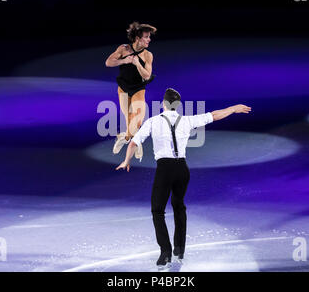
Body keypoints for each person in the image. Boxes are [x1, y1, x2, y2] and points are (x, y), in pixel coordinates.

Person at [116, 88, 252, 268]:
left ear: (163, 104)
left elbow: (134, 142)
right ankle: (179, 249)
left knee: (158, 210)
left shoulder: (153, 122)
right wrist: (233, 108)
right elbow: (214, 115)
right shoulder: (187, 120)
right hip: (182, 169)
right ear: (178, 105)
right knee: (179, 207)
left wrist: (126, 160)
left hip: (165, 169)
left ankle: (165, 252)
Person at [105, 21, 157, 161]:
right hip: (123, 88)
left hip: (138, 89)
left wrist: (136, 63)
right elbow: (108, 62)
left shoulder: (148, 55)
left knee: (138, 121)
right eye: (146, 36)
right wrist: (124, 61)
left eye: (149, 37)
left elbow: (146, 76)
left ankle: (126, 138)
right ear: (138, 38)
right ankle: (134, 140)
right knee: (129, 120)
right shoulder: (123, 49)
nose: (149, 39)